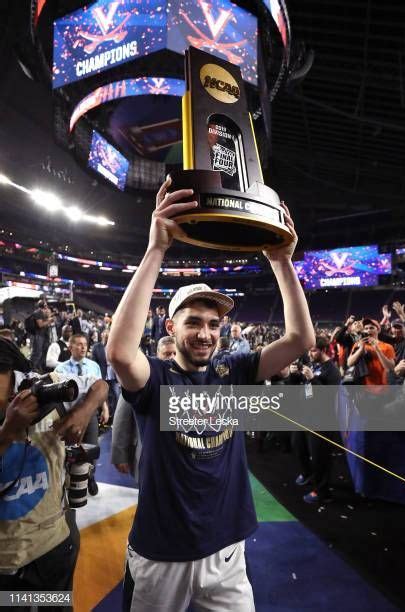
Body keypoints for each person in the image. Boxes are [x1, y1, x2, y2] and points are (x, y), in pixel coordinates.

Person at [107, 177, 314, 611]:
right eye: (194, 322)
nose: (206, 333)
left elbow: (299, 339)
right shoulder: (156, 379)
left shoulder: (232, 370)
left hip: (226, 552)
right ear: (170, 327)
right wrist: (156, 249)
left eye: (214, 324)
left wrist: (281, 261)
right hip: (161, 556)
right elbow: (120, 352)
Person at [0, 337, 108, 611]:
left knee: (56, 606)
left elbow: (100, 386)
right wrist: (8, 432)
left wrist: (83, 412)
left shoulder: (45, 385)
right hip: (6, 558)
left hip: (52, 546)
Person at [111, 337, 176, 480]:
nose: (171, 357)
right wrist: (120, 455)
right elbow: (122, 418)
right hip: (149, 458)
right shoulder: (141, 376)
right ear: (158, 353)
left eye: (174, 353)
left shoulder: (186, 377)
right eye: (167, 354)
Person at [55, 334, 109, 495]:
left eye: (85, 344)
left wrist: (105, 408)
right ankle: (69, 479)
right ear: (70, 347)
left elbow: (101, 390)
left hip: (91, 413)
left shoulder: (94, 366)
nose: (83, 347)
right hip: (69, 415)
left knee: (91, 447)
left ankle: (90, 477)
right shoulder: (60, 369)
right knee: (69, 449)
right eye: (78, 344)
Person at [292, 336, 342, 503]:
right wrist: (296, 375)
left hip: (323, 419)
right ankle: (308, 474)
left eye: (313, 351)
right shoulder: (314, 364)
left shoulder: (332, 371)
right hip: (307, 414)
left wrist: (312, 378)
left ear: (324, 350)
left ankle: (322, 492)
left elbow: (328, 398)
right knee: (298, 444)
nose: (310, 354)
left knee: (320, 457)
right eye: (309, 350)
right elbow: (304, 386)